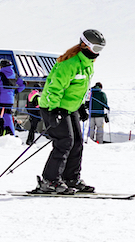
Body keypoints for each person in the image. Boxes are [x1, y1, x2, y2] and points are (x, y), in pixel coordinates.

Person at [34, 29, 105, 194]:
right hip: (54, 106)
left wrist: (80, 106)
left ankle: (70, 179)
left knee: (77, 142)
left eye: (100, 50)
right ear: (84, 45)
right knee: (64, 142)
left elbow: (78, 89)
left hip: (69, 107)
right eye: (95, 49)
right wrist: (53, 111)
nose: (97, 53)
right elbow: (54, 87)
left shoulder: (87, 65)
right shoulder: (70, 63)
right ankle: (50, 181)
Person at [0, 58, 24, 137]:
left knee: (1, 115)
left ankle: (2, 133)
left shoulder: (0, 74)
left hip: (1, 99)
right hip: (10, 100)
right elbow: (23, 84)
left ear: (2, 66)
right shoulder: (14, 75)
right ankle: (11, 133)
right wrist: (16, 91)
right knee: (8, 115)